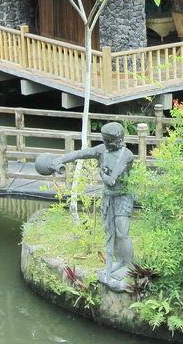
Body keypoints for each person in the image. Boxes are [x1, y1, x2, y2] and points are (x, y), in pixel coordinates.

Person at [35, 122, 136, 292]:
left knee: (122, 231)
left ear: (118, 140)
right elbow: (80, 154)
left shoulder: (126, 155)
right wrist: (59, 160)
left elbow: (112, 180)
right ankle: (121, 260)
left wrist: (101, 173)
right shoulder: (102, 150)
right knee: (109, 231)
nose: (107, 144)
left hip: (122, 196)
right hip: (108, 197)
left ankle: (130, 264)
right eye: (105, 141)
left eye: (109, 141)